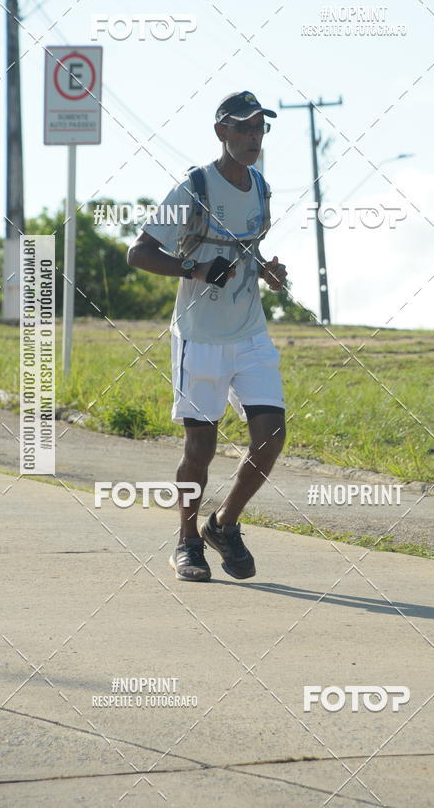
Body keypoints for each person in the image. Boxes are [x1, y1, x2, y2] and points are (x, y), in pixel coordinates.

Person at [127, 91, 287, 582]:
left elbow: (247, 248)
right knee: (201, 449)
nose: (254, 137)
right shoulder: (194, 188)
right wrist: (194, 269)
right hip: (200, 337)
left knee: (272, 436)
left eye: (260, 128)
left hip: (250, 332)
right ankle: (187, 541)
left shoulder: (261, 186)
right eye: (243, 128)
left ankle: (225, 524)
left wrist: (267, 271)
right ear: (222, 133)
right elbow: (139, 253)